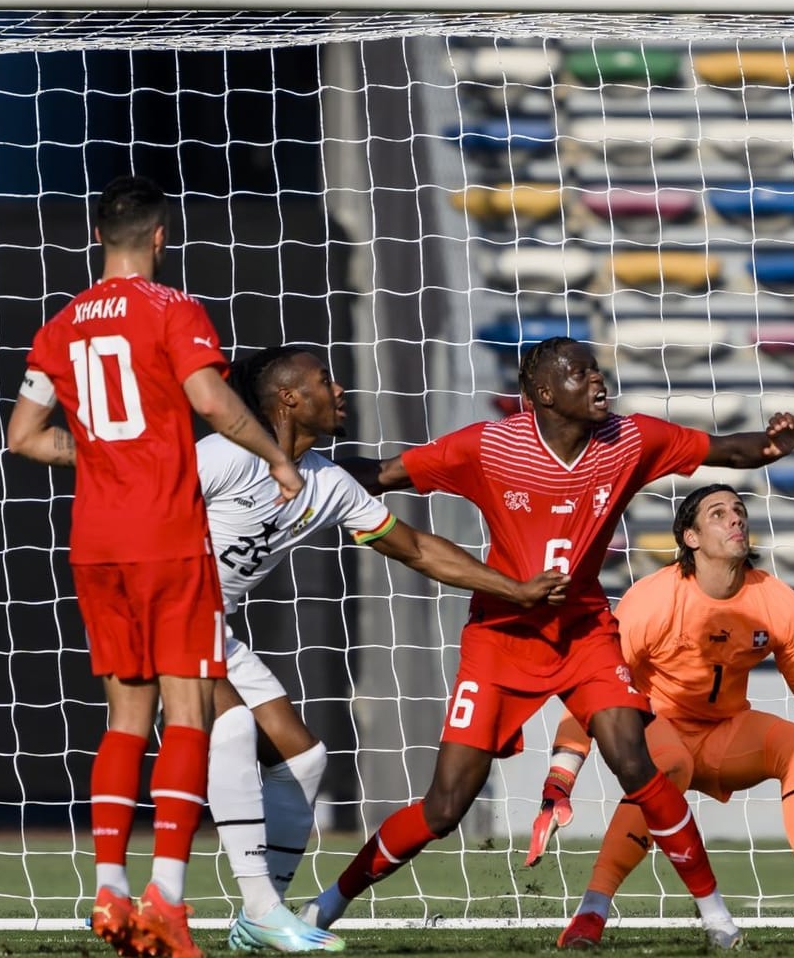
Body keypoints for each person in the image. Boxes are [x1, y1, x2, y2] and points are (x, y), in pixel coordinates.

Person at [308, 337, 794, 949]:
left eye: (596, 369)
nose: (597, 380)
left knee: (635, 761)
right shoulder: (489, 446)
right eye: (579, 373)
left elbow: (723, 449)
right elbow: (384, 475)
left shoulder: (630, 439)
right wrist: (297, 474)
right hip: (500, 638)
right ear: (542, 393)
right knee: (444, 807)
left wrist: (773, 445)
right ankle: (328, 903)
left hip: (583, 632)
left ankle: (718, 918)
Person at [6, 175, 304, 958]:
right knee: (187, 713)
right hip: (168, 535)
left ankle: (108, 887)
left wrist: (99, 454)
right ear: (162, 236)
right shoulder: (173, 308)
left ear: (98, 237)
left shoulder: (60, 325)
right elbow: (209, 398)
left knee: (123, 720)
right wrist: (276, 457)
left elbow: (23, 436)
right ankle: (166, 899)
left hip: (96, 542)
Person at [200, 345, 567, 953]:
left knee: (305, 760)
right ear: (289, 398)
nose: (340, 390)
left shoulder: (329, 482)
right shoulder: (227, 453)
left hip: (216, 626)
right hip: (156, 611)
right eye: (325, 380)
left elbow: (417, 547)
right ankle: (258, 908)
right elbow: (145, 504)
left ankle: (259, 920)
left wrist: (517, 589)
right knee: (235, 729)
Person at [529, 484, 794, 949]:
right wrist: (559, 784)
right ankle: (591, 912)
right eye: (718, 513)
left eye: (740, 511)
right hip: (657, 730)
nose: (735, 520)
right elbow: (595, 691)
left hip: (728, 735)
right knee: (669, 766)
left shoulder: (778, 601)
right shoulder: (652, 599)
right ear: (689, 537)